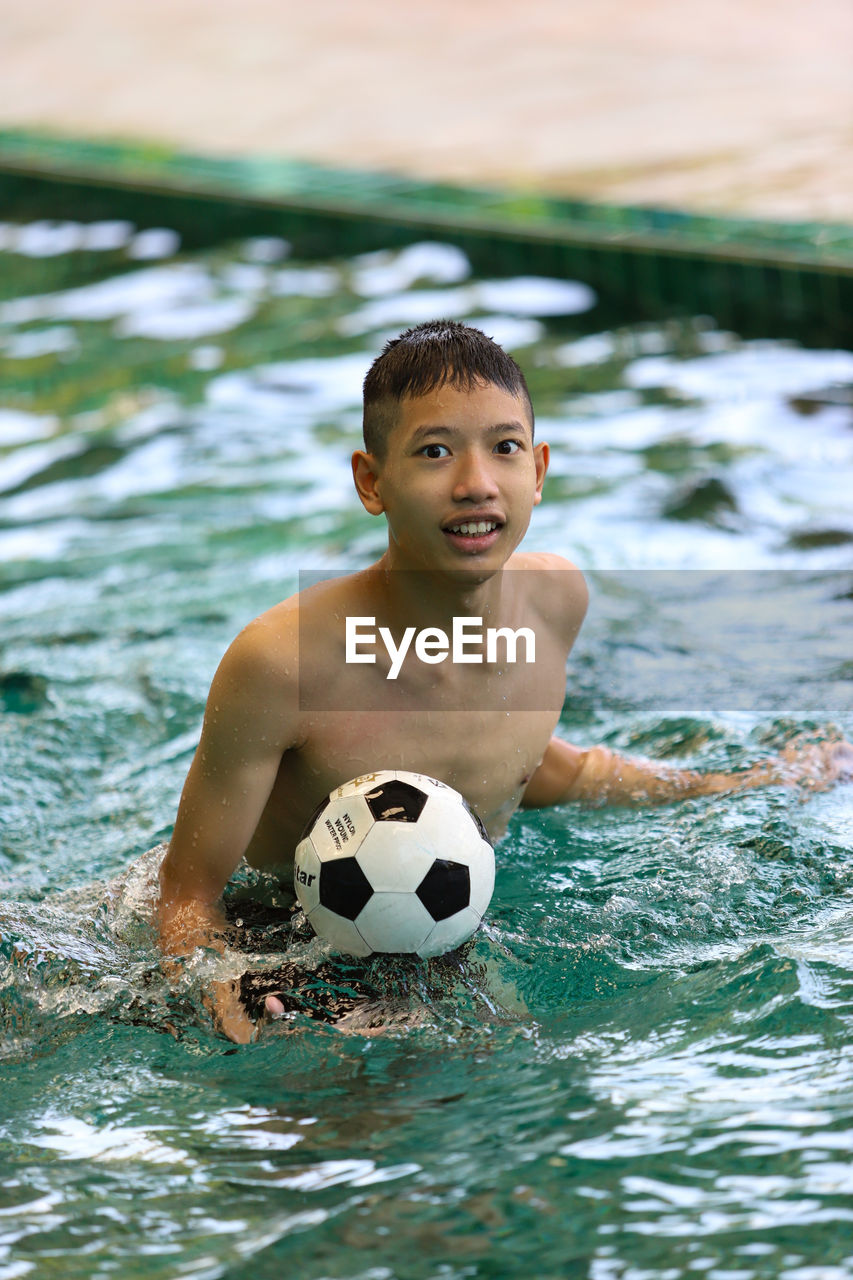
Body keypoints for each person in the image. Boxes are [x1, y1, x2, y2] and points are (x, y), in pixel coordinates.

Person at [157, 320, 852, 1042]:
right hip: (275, 937)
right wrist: (227, 997)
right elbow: (187, 894)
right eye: (434, 452)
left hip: (444, 936)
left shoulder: (553, 604)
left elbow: (526, 762)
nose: (476, 485)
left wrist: (736, 784)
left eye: (505, 448)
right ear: (372, 482)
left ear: (539, 471)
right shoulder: (281, 662)